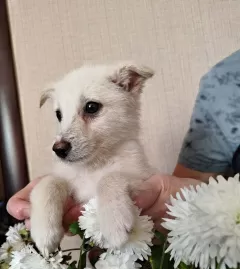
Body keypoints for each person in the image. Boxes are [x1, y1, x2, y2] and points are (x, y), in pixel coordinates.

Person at [7, 50, 240, 230]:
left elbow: (134, 184)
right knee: (50, 185)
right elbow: (191, 184)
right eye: (60, 115)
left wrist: (114, 188)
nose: (62, 139)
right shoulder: (225, 83)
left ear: (128, 85)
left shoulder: (129, 156)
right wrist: (47, 196)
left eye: (91, 108)